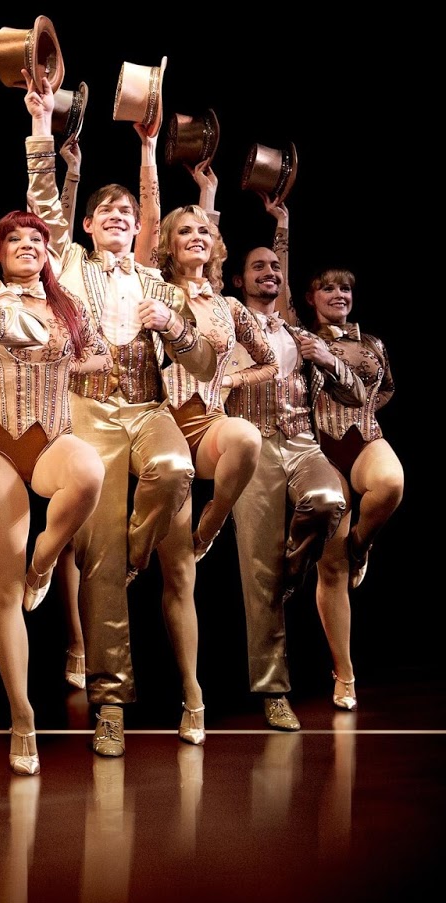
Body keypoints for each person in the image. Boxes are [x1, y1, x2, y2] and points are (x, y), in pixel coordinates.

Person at [29, 83, 216, 758]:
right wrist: (40, 128)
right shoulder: (72, 266)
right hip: (90, 411)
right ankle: (111, 698)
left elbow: (199, 354)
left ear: (139, 229)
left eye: (127, 212)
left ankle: (142, 549)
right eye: (105, 211)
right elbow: (45, 207)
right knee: (98, 555)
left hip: (147, 407)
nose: (116, 216)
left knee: (174, 467)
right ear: (87, 226)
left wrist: (174, 323)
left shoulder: (157, 284)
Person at [0, 84, 108, 774]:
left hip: (52, 434)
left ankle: (47, 559)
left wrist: (85, 355)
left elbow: (102, 354)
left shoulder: (68, 302)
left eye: (37, 239)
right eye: (15, 238)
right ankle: (23, 715)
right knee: (0, 590)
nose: (28, 244)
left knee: (88, 473)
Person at [144, 159, 276, 743]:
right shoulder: (150, 289)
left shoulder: (230, 307)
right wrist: (203, 192)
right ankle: (191, 694)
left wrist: (234, 383)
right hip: (158, 427)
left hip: (209, 427)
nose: (197, 237)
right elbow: (150, 219)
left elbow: (272, 361)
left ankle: (212, 525)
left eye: (205, 231)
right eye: (185, 231)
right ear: (168, 245)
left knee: (247, 438)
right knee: (178, 579)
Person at [223, 191, 363, 729]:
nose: (271, 273)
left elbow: (355, 397)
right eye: (258, 267)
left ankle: (293, 568)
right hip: (254, 444)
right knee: (254, 571)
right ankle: (273, 689)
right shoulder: (229, 320)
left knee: (329, 500)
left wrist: (327, 358)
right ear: (237, 280)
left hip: (302, 443)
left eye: (277, 268)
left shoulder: (301, 333)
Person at [308, 264, 400, 709]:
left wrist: (364, 411)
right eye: (328, 288)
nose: (338, 294)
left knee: (390, 484)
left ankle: (362, 544)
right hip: (321, 449)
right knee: (332, 567)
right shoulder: (300, 336)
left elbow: (386, 389)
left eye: (345, 288)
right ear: (312, 298)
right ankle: (344, 673)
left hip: (364, 438)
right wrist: (282, 225)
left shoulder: (372, 343)